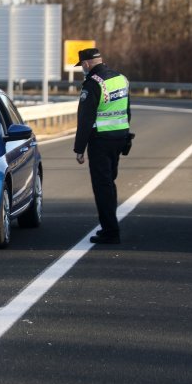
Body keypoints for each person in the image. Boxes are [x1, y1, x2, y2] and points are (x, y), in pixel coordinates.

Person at [73, 47, 132, 244]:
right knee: (109, 183)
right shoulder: (121, 78)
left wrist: (79, 149)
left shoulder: (93, 84)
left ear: (87, 63)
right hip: (120, 138)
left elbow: (85, 119)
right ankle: (110, 225)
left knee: (102, 186)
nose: (82, 68)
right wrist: (125, 134)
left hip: (101, 142)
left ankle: (110, 231)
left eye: (82, 64)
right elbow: (126, 109)